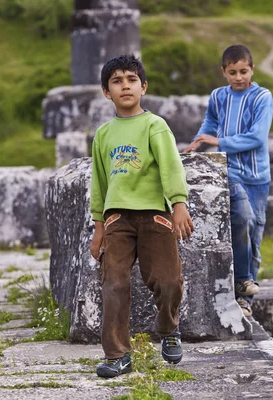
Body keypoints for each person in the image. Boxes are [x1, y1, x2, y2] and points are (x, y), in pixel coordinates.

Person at [89, 54, 194, 379]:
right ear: (107, 91)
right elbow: (99, 182)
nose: (125, 86)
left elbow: (170, 165)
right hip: (117, 219)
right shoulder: (104, 135)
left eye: (131, 80)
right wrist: (98, 227)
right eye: (117, 81)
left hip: (155, 217)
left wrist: (178, 204)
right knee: (114, 283)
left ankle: (168, 328)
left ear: (143, 86)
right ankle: (118, 354)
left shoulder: (154, 125)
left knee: (167, 281)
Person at [184, 44, 273, 318]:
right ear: (224, 72)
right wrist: (198, 141)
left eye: (243, 71)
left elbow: (257, 137)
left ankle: (245, 298)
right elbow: (210, 122)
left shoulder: (262, 97)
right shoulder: (218, 96)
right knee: (241, 218)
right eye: (232, 72)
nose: (238, 77)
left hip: (257, 177)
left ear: (252, 69)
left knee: (253, 236)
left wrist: (218, 141)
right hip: (229, 171)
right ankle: (240, 284)